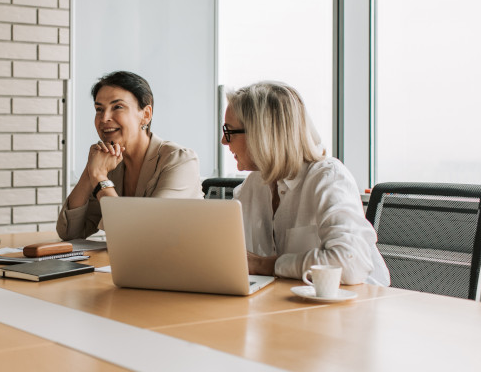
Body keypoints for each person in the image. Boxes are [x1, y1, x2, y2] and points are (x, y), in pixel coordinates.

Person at [221, 81, 389, 285]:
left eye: (229, 131)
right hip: (291, 304)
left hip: (355, 306)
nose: (224, 141)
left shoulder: (328, 178)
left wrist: (266, 265)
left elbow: (350, 264)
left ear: (261, 134)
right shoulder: (254, 184)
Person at [57, 71, 202, 240]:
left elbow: (144, 234)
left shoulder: (179, 160)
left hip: (179, 263)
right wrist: (91, 169)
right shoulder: (111, 164)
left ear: (146, 115)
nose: (104, 118)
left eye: (117, 107)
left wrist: (99, 177)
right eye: (99, 109)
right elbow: (69, 231)